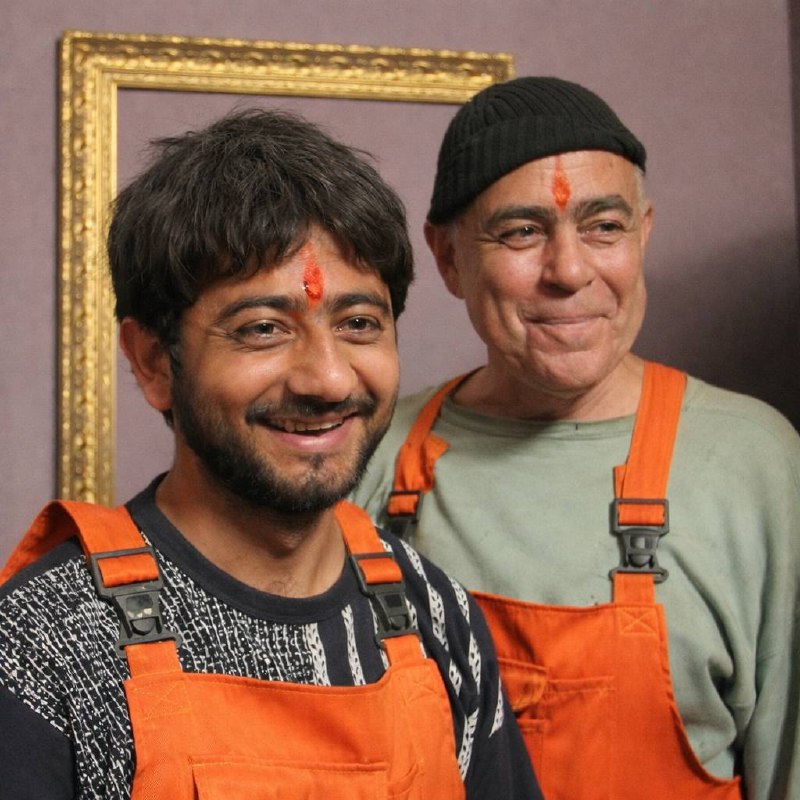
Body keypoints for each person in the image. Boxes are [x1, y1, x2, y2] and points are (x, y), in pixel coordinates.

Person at [0, 108, 541, 799]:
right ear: (153, 361)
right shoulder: (46, 639)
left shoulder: (435, 615)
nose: (329, 379)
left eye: (359, 324)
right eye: (262, 329)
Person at [352, 76, 800, 799]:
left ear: (643, 232)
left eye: (604, 227)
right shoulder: (372, 452)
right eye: (521, 232)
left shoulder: (755, 463)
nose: (569, 271)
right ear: (448, 257)